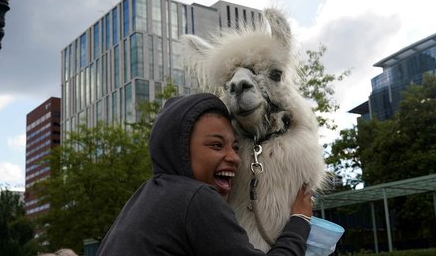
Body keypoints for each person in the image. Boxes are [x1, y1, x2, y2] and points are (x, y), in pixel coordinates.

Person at [96, 93, 313, 255]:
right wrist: (300, 221)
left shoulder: (147, 196)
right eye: (217, 145)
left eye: (235, 147)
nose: (235, 158)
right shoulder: (196, 197)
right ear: (178, 149)